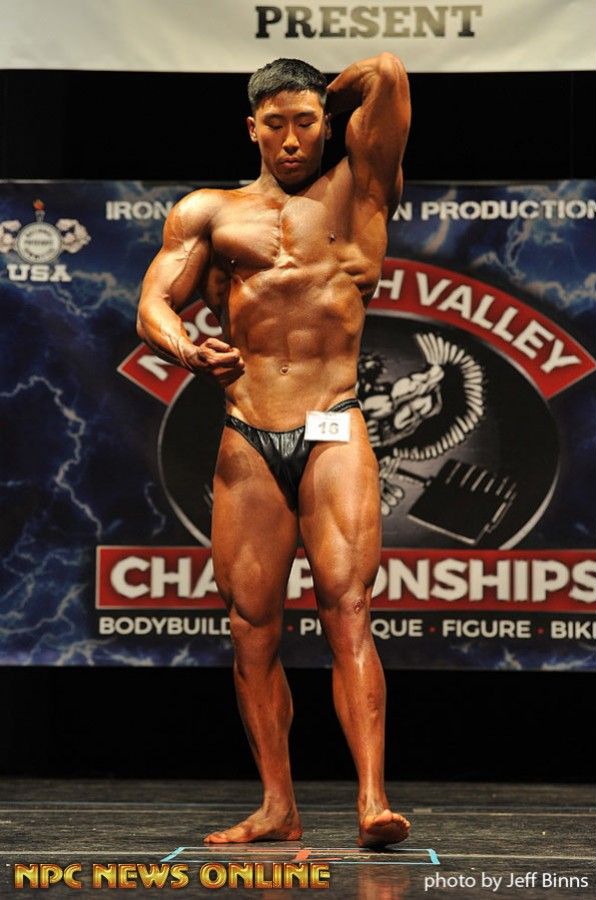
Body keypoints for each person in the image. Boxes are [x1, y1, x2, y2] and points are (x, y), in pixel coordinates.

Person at [137, 53, 411, 847]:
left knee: (348, 609)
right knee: (252, 627)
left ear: (327, 123)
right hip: (248, 434)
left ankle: (372, 802)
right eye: (275, 124)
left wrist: (329, 91)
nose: (291, 140)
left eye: (306, 122)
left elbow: (388, 71)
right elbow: (153, 304)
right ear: (251, 128)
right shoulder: (209, 213)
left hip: (334, 425)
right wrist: (187, 348)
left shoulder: (361, 189)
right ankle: (277, 806)